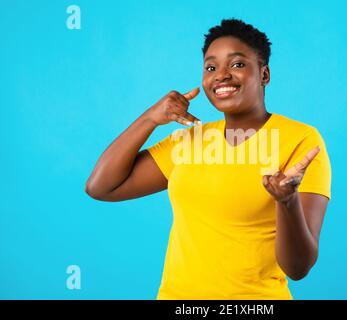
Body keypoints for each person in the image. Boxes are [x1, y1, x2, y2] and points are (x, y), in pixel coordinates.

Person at [85, 18, 332, 300]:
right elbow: (101, 186)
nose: (221, 75)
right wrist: (150, 118)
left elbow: (298, 268)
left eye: (237, 64)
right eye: (211, 67)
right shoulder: (189, 139)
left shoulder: (301, 140)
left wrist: (286, 202)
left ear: (264, 75)